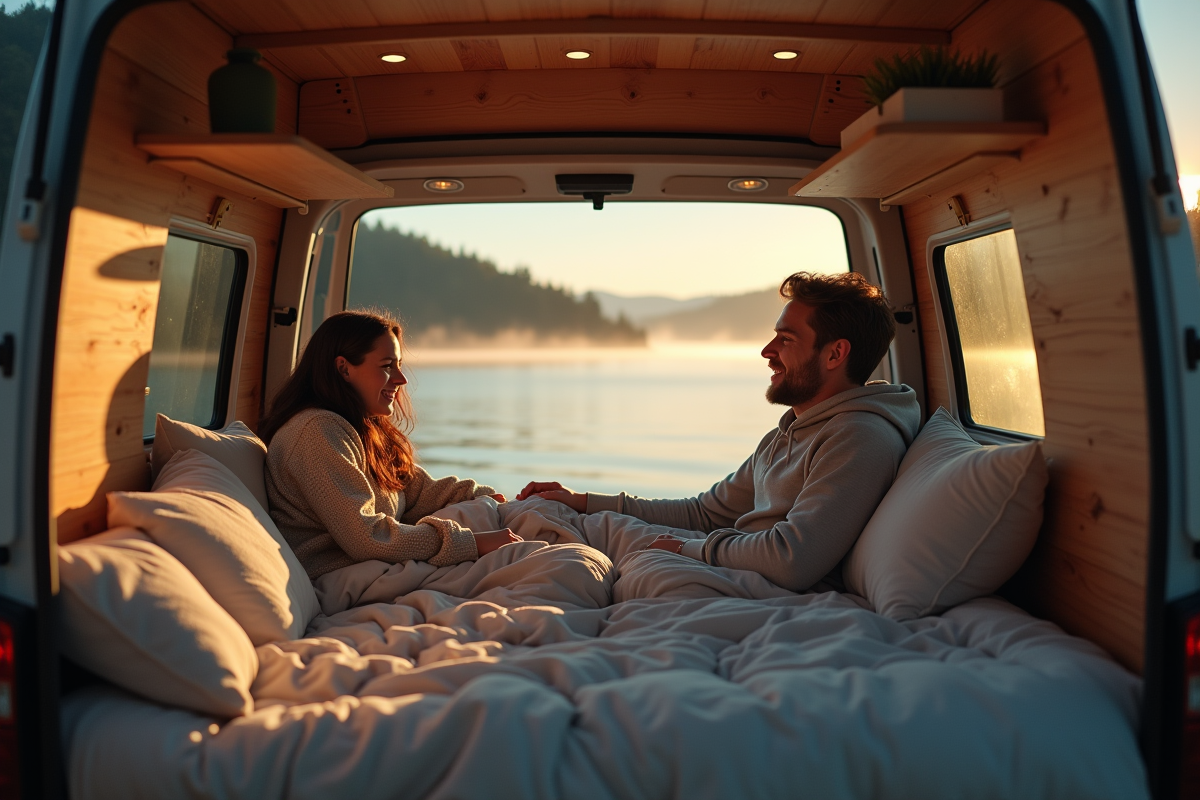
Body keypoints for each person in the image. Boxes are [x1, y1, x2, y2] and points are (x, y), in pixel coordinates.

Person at [516, 271, 922, 592]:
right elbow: (706, 513)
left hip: (760, 587)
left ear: (835, 353)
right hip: (727, 563)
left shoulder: (859, 437)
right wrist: (583, 500)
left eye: (785, 339)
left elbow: (793, 559)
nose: (767, 352)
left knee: (588, 560)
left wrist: (685, 549)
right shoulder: (790, 433)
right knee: (549, 516)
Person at [260, 310, 521, 580]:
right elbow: (368, 538)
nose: (401, 379)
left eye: (398, 365)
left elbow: (416, 491)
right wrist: (471, 543)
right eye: (387, 366)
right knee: (525, 561)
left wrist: (498, 500)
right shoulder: (316, 433)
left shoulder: (359, 428)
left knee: (516, 516)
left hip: (378, 571)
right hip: (345, 579)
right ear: (344, 369)